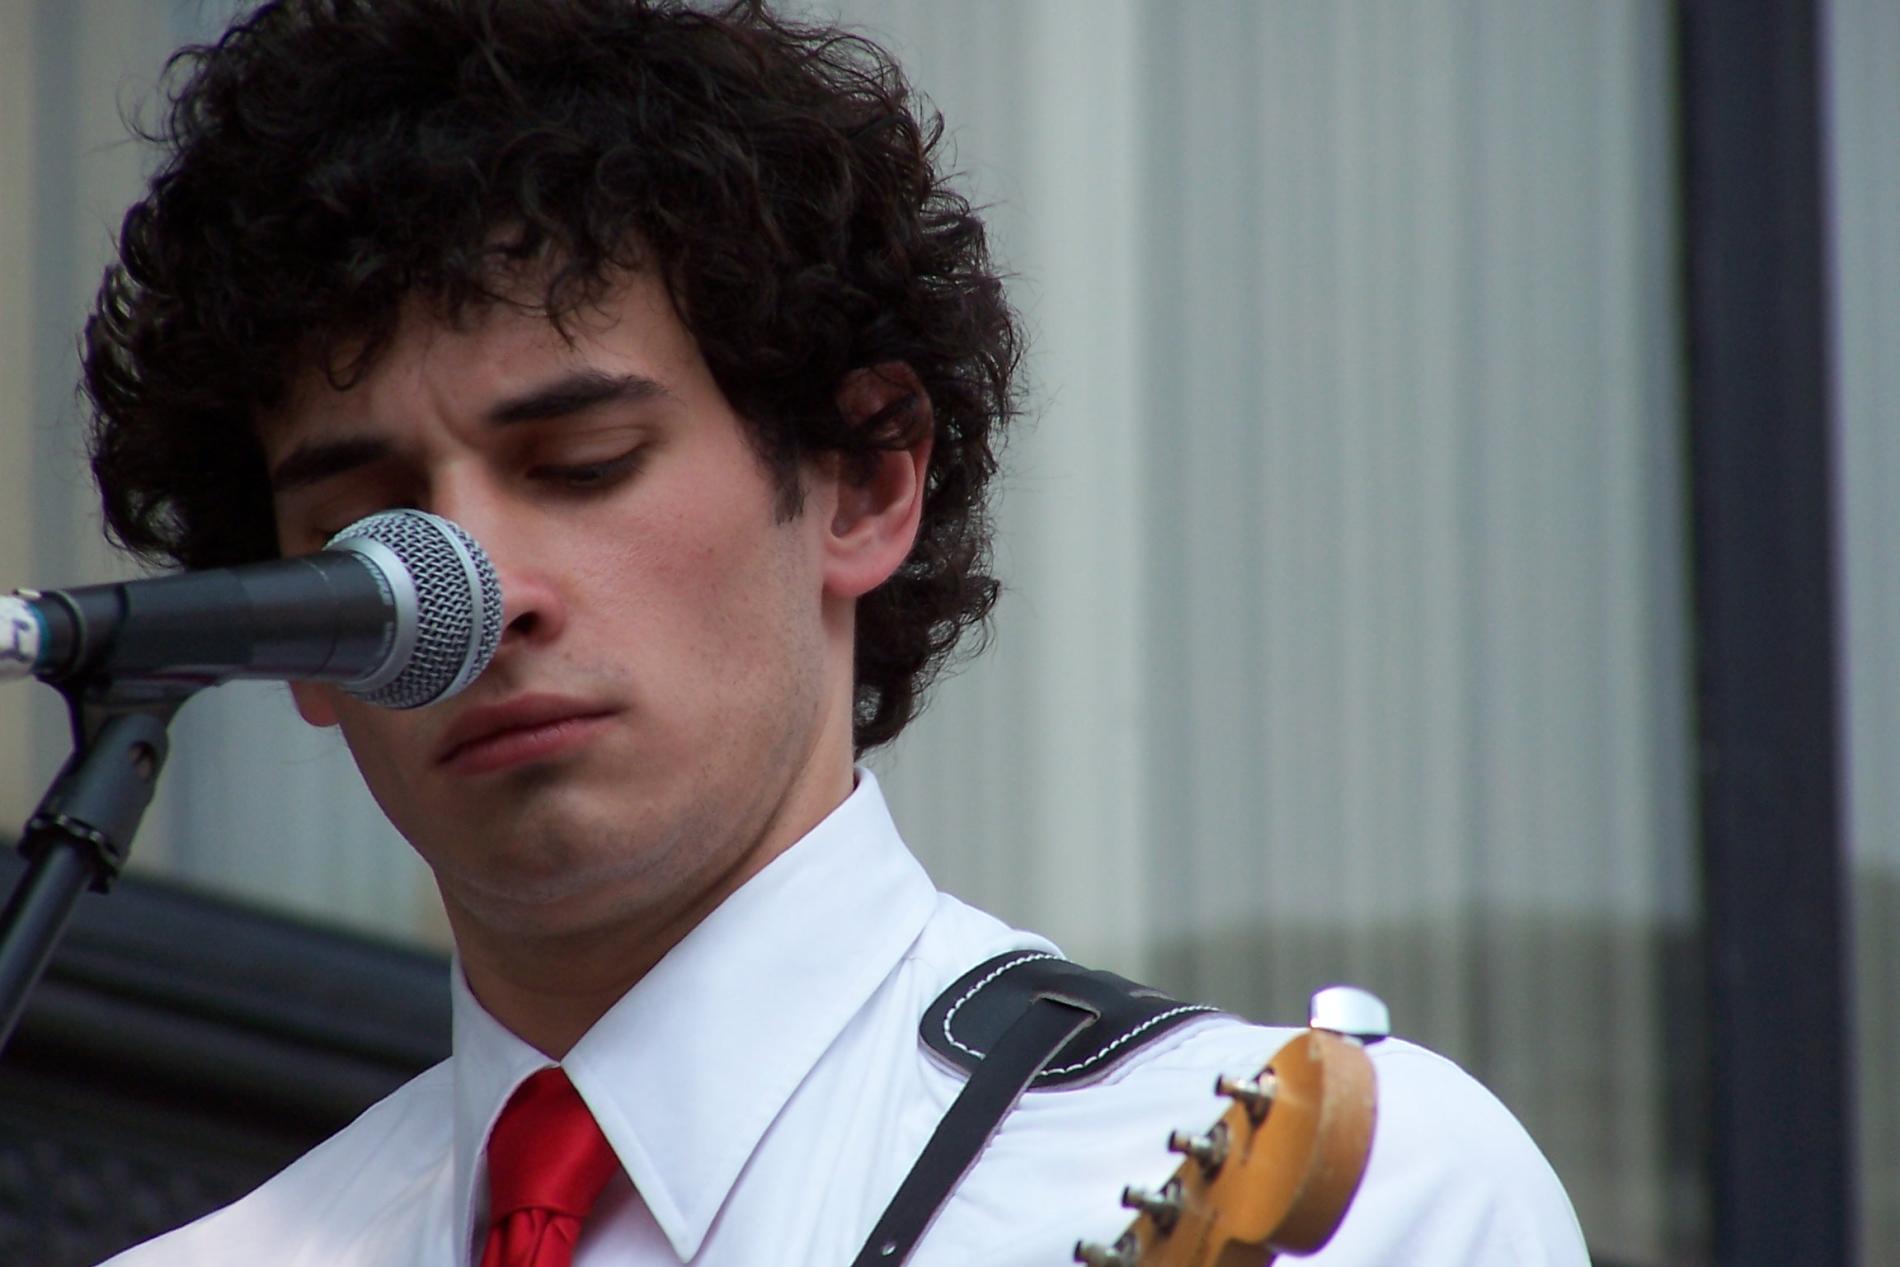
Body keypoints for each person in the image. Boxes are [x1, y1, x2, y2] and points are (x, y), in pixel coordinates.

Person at [81, 2, 1589, 1263]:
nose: (468, 597)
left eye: (582, 466)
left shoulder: (1355, 1192)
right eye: (367, 534)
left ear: (865, 481)